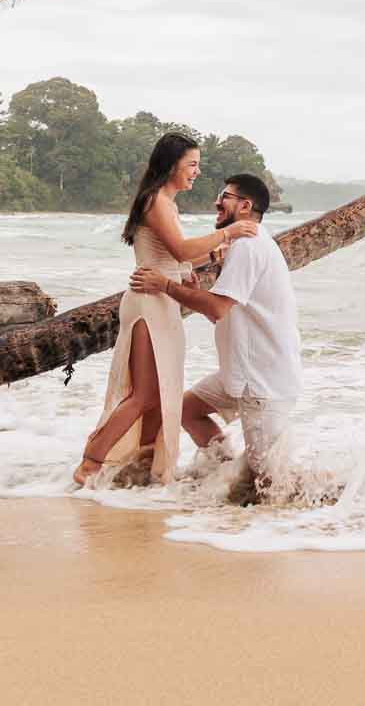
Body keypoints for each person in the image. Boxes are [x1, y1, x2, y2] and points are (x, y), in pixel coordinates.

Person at [73, 134, 258, 487]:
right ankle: (91, 461)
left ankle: (143, 466)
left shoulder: (166, 204)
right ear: (172, 165)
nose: (197, 172)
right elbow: (182, 251)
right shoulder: (156, 200)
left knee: (161, 395)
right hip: (148, 303)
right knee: (144, 393)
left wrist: (214, 254)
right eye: (192, 164)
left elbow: (176, 258)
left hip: (161, 301)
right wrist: (229, 233)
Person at [129, 172, 301, 502]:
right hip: (242, 371)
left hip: (262, 380)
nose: (216, 202)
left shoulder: (248, 247)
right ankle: (225, 473)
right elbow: (220, 312)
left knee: (270, 485)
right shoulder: (244, 245)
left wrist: (165, 285)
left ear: (245, 206)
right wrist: (191, 291)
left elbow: (218, 308)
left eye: (225, 197)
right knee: (186, 410)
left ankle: (326, 510)